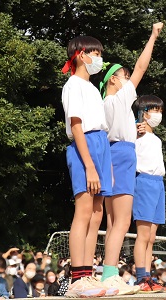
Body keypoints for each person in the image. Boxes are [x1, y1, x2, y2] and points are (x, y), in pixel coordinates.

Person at [97, 22, 163, 291]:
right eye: (123, 76)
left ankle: (108, 274)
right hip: (122, 155)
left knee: (114, 222)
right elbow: (141, 67)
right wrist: (153, 36)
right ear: (113, 79)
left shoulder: (105, 104)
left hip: (112, 151)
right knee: (121, 222)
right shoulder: (119, 99)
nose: (128, 78)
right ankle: (110, 276)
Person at [61, 35, 112, 298]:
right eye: (96, 53)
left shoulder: (93, 88)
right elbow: (77, 125)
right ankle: (77, 277)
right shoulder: (73, 85)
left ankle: (88, 274)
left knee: (97, 212)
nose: (99, 59)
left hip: (101, 144)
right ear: (81, 54)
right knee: (83, 210)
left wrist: (104, 164)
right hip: (85, 147)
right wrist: (90, 166)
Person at [131, 95, 166, 293]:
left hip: (158, 183)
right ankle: (141, 277)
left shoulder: (155, 138)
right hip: (144, 181)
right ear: (143, 113)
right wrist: (136, 127)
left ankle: (148, 277)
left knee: (152, 236)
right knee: (143, 234)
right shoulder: (137, 132)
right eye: (154, 110)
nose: (158, 114)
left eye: (160, 111)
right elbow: (129, 133)